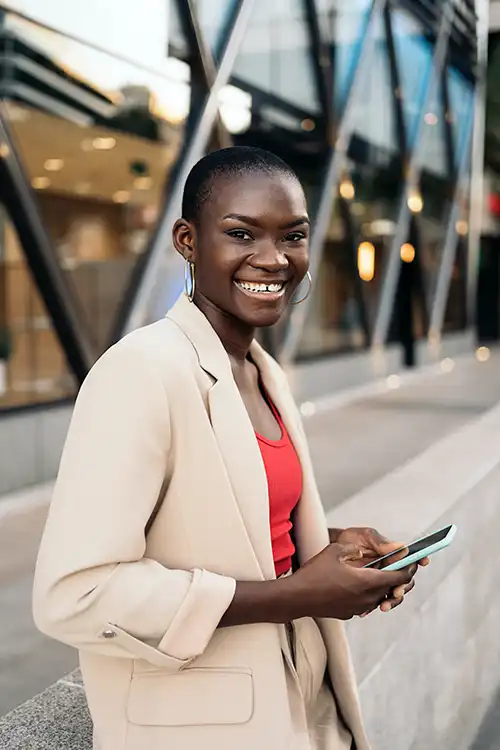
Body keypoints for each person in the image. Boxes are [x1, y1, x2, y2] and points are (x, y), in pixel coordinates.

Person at [33, 147, 426, 750]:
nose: (272, 260)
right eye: (241, 233)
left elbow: (244, 528)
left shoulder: (262, 371)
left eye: (292, 236)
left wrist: (334, 551)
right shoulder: (142, 370)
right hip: (201, 726)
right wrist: (293, 595)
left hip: (301, 698)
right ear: (187, 241)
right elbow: (74, 595)